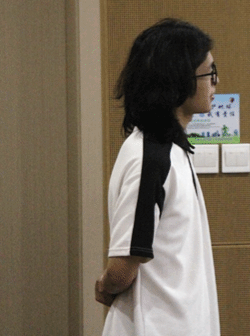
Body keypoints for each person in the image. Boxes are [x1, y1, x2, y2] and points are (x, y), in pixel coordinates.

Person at [95, 18, 221, 336]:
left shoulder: (171, 150)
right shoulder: (151, 158)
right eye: (210, 73)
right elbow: (123, 267)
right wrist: (106, 284)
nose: (216, 82)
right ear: (177, 80)